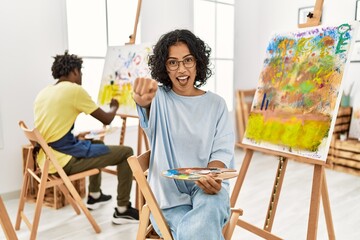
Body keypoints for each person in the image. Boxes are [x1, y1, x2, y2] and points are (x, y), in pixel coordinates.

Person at [133, 29, 235, 240]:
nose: (181, 69)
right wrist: (142, 101)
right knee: (198, 231)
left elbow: (222, 150)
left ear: (198, 62)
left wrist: (212, 175)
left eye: (188, 60)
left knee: (201, 221)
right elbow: (145, 104)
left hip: (209, 191)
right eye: (173, 62)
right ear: (165, 67)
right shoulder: (158, 98)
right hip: (169, 201)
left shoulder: (216, 104)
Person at [33, 51, 139, 224]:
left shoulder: (44, 92)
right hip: (62, 162)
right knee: (127, 152)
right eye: (80, 72)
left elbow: (51, 128)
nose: (81, 76)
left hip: (45, 160)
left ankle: (95, 195)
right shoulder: (73, 90)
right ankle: (123, 209)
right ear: (74, 71)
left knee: (95, 141)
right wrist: (114, 106)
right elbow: (107, 118)